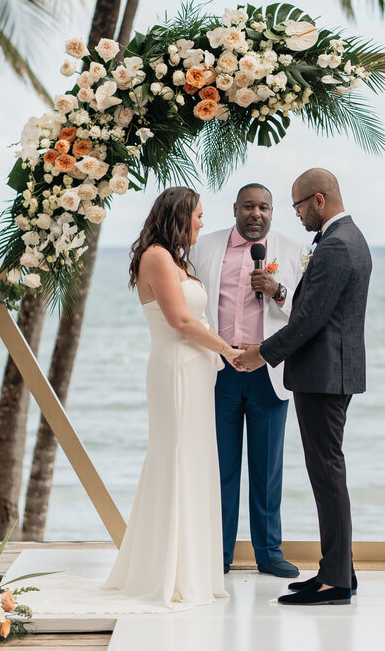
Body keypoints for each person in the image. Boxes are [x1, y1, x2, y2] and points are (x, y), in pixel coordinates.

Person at [236, 168, 372, 607]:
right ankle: (338, 572)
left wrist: (261, 353)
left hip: (324, 375)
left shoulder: (336, 245)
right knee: (327, 473)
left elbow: (311, 319)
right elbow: (314, 307)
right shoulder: (347, 238)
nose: (294, 215)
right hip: (330, 373)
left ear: (318, 200)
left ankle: (335, 582)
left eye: (296, 206)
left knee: (327, 475)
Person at [103, 186, 241, 608]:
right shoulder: (157, 257)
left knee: (195, 459)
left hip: (195, 370)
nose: (202, 222)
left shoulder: (175, 259)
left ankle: (193, 566)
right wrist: (228, 350)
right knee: (178, 457)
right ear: (180, 216)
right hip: (177, 369)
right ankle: (172, 572)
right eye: (198, 215)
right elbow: (181, 320)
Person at [191, 183, 306, 578]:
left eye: (264, 207)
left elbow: (305, 312)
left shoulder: (292, 251)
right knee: (219, 467)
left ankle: (269, 552)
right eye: (249, 207)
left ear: (273, 212)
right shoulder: (203, 248)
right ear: (235, 209)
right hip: (219, 368)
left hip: (268, 371)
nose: (256, 214)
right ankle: (216, 554)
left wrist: (279, 291)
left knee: (267, 467)